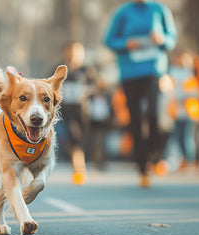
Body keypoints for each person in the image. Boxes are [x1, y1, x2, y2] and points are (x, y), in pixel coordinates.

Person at [103, 0, 177, 188]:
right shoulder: (123, 12)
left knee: (154, 113)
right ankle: (142, 166)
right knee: (135, 119)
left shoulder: (159, 9)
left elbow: (172, 38)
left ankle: (153, 152)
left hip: (154, 71)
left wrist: (162, 40)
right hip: (129, 74)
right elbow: (109, 40)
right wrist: (126, 43)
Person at [54, 41, 99, 185]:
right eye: (71, 52)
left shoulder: (87, 70)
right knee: (73, 138)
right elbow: (48, 84)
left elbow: (97, 86)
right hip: (65, 112)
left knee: (80, 140)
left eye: (77, 52)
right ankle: (79, 169)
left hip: (83, 111)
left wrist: (89, 90)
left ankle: (78, 166)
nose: (74, 56)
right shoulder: (59, 69)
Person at [167, 51, 199, 171]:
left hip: (189, 112)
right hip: (177, 112)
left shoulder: (190, 75)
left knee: (187, 138)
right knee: (178, 138)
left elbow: (198, 94)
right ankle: (182, 161)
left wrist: (184, 97)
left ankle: (189, 161)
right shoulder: (173, 75)